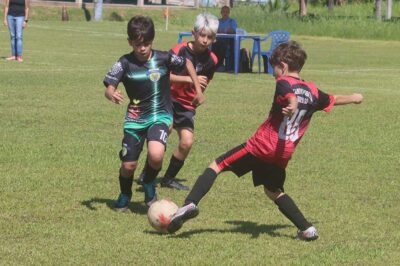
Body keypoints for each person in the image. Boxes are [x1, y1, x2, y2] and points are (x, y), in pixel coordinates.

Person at [167, 41, 363, 240]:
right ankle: (307, 229)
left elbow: (289, 95)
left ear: (284, 67)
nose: (273, 73)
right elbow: (333, 98)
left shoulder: (283, 82)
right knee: (273, 190)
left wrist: (293, 105)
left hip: (262, 146)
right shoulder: (313, 91)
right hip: (284, 153)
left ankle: (190, 203)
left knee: (217, 164)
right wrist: (354, 97)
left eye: (274, 68)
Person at [103, 16, 202, 211]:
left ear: (152, 41)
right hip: (135, 120)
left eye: (146, 44)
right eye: (138, 44)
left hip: (160, 115)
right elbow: (109, 86)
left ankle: (148, 183)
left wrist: (197, 89)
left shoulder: (164, 58)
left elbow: (188, 64)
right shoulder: (124, 63)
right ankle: (125, 194)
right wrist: (111, 94)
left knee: (156, 155)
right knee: (128, 166)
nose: (142, 48)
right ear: (130, 42)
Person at [138, 13, 219, 191]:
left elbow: (205, 83)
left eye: (210, 37)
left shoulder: (212, 60)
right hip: (168, 98)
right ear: (194, 33)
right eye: (202, 35)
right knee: (162, 134)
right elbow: (163, 75)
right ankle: (146, 174)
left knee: (187, 142)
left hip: (186, 104)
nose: (205, 40)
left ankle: (168, 178)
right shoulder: (179, 50)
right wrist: (191, 80)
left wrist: (198, 97)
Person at [211, 5, 237, 71]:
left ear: (229, 13)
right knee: (213, 45)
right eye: (223, 12)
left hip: (229, 42)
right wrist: (225, 30)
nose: (225, 13)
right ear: (221, 13)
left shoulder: (232, 21)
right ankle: (216, 65)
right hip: (218, 41)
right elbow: (214, 30)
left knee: (225, 47)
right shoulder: (217, 21)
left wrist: (221, 30)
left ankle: (226, 67)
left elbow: (233, 31)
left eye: (227, 12)